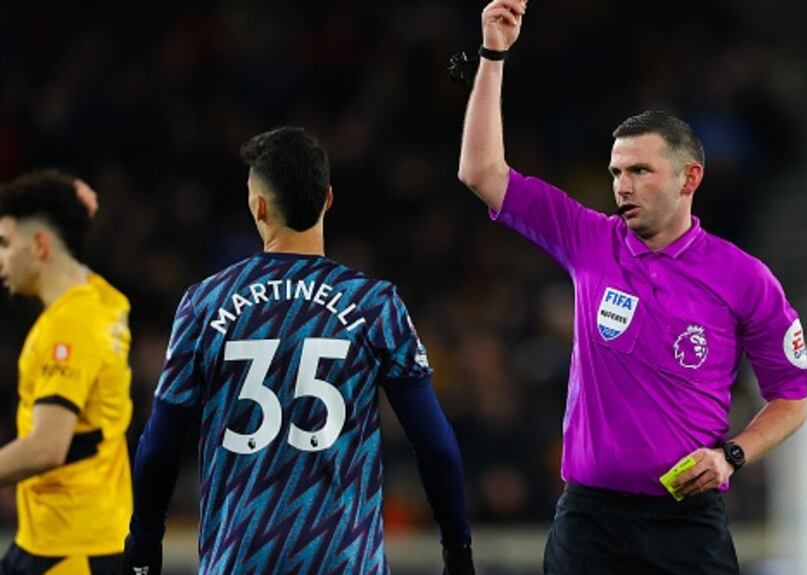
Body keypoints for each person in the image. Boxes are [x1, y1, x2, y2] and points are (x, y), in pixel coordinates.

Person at [457, 2, 807, 573]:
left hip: (686, 524)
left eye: (640, 171)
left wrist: (732, 456)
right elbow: (480, 171)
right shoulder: (588, 238)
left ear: (689, 177)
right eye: (617, 172)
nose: (623, 185)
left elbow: (791, 398)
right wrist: (494, 54)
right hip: (588, 522)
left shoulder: (744, 277)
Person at [122, 127, 474, 575]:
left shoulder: (205, 303)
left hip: (240, 561)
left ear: (258, 205)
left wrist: (145, 540)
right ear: (328, 199)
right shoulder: (373, 304)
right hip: (343, 562)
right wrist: (457, 547)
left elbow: (159, 447)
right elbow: (435, 444)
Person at [0, 171, 132, 574]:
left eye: (5, 243)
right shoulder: (102, 300)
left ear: (39, 245)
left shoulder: (69, 326)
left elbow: (46, 447)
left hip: (69, 548)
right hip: (80, 534)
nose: (1, 259)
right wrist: (71, 201)